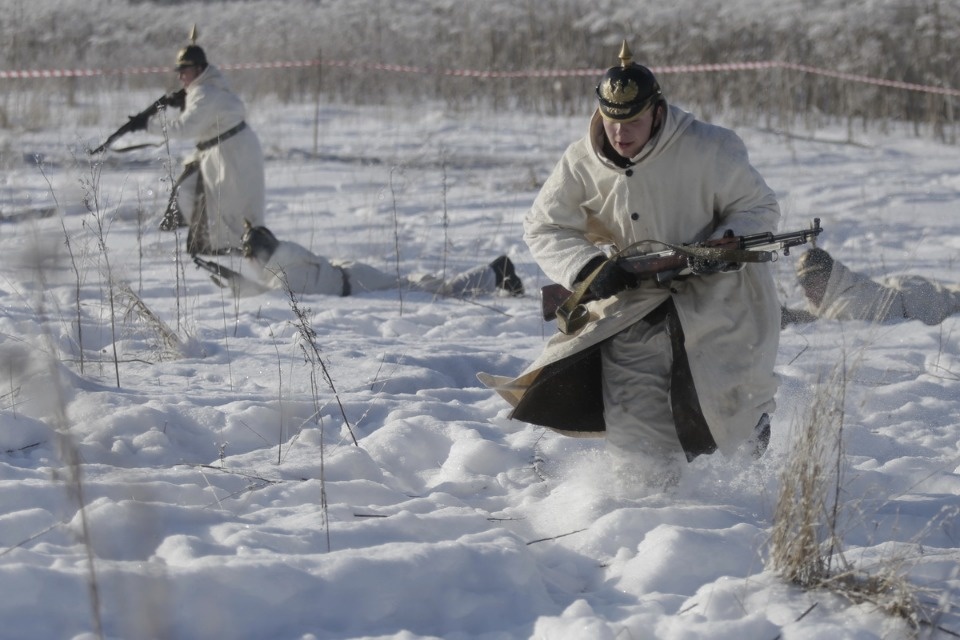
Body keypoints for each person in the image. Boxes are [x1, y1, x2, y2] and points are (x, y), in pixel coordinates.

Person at [479, 41, 782, 487]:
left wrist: (721, 246)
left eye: (634, 120)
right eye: (612, 120)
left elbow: (759, 207)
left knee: (732, 408)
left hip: (721, 301)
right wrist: (588, 270)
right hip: (632, 305)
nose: (621, 133)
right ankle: (645, 516)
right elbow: (543, 227)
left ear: (657, 111)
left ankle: (745, 454)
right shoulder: (580, 160)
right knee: (637, 437)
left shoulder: (711, 147)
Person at [127, 27, 265, 256]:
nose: (180, 76)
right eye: (179, 71)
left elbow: (185, 128)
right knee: (194, 192)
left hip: (232, 153)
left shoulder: (204, 93)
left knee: (233, 208)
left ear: (199, 70)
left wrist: (147, 125)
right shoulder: (203, 89)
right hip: (224, 150)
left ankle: (236, 250)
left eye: (185, 70)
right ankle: (210, 242)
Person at [198, 220, 525, 299]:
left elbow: (275, 300)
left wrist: (235, 283)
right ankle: (495, 273)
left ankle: (497, 272)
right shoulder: (286, 257)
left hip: (357, 283)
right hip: (351, 277)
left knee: (436, 295)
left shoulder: (285, 269)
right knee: (421, 288)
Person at [782, 247, 960, 326]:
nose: (806, 291)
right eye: (803, 284)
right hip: (903, 288)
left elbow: (830, 329)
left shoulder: (851, 303)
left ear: (828, 277)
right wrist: (789, 315)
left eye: (811, 283)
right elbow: (820, 317)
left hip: (919, 300)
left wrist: (793, 319)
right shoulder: (840, 290)